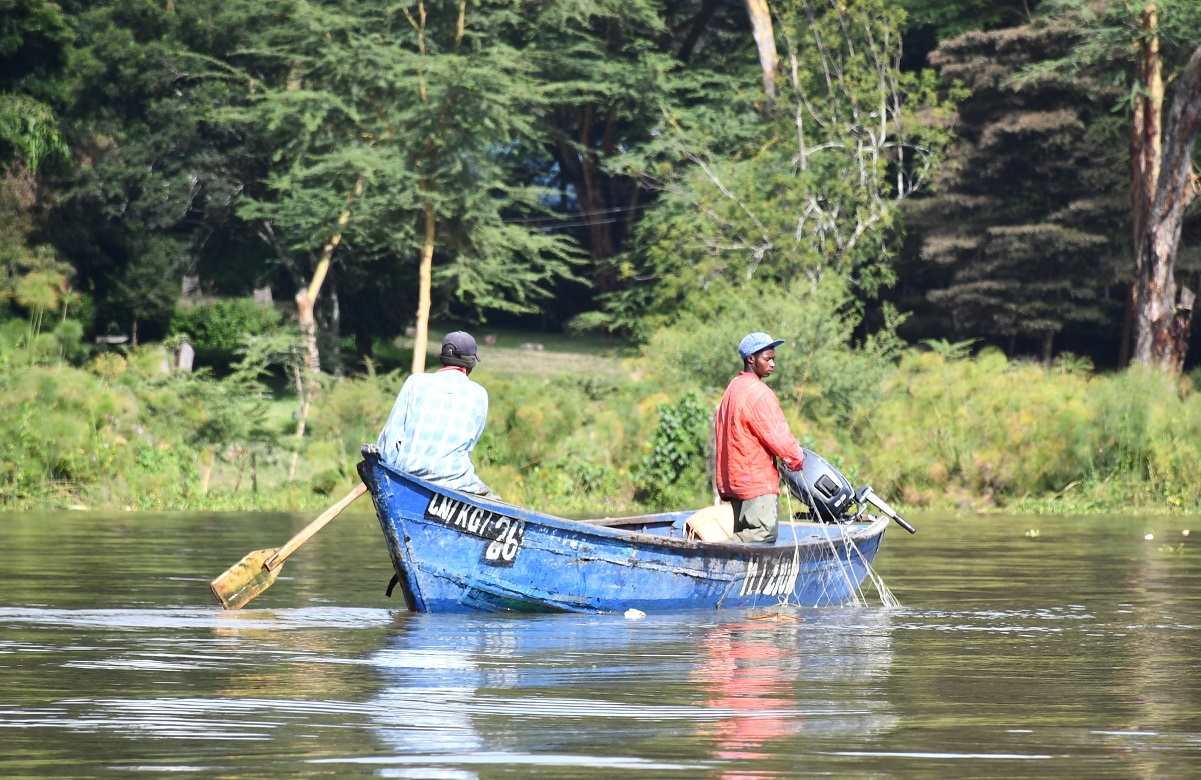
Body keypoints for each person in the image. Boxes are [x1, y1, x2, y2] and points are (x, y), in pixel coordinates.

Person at [376, 331, 499, 498]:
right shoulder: (479, 395)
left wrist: (388, 474)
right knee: (494, 501)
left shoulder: (415, 383)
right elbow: (470, 444)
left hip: (407, 478)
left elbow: (390, 439)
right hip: (458, 484)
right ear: (469, 364)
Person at [712, 332, 805, 543]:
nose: (772, 364)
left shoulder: (732, 388)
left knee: (748, 540)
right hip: (756, 482)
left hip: (735, 482)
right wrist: (797, 459)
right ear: (751, 359)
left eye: (774, 359)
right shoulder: (758, 393)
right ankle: (711, 554)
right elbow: (780, 438)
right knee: (763, 533)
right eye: (767, 358)